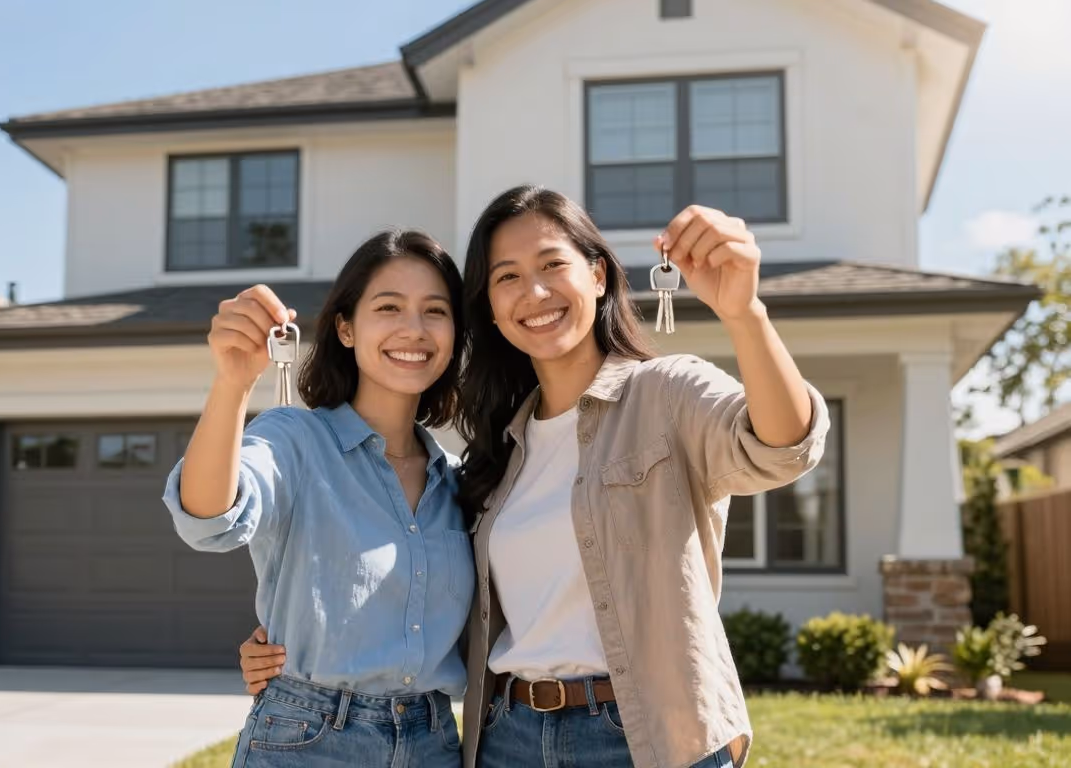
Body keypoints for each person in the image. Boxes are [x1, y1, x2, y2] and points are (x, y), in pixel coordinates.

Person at [240, 186, 831, 768]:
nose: (535, 291)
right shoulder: (494, 456)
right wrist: (295, 651)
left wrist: (744, 314)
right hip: (509, 738)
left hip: (647, 735)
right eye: (508, 277)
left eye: (552, 264)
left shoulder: (666, 393)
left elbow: (783, 447)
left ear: (598, 275)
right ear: (491, 311)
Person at [163, 229, 473, 767]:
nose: (414, 329)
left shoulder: (462, 481)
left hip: (435, 743)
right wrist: (233, 382)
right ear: (346, 328)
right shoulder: (294, 439)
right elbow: (208, 519)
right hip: (309, 741)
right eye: (389, 307)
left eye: (435, 311)